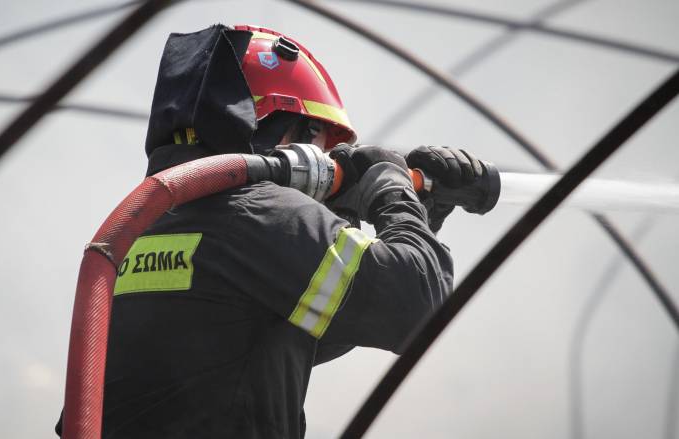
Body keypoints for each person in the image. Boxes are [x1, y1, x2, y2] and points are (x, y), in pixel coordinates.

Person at [57, 24, 484, 438]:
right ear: (283, 132)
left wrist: (422, 220)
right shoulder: (261, 217)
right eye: (320, 142)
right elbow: (416, 307)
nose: (326, 160)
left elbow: (316, 328)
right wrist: (392, 189)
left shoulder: (143, 228)